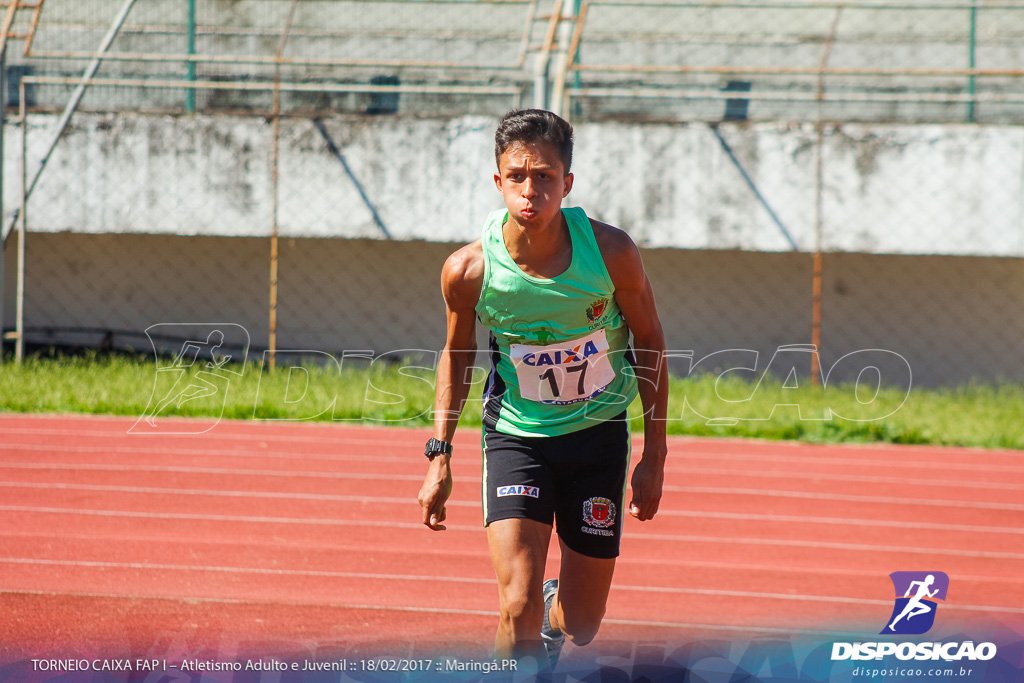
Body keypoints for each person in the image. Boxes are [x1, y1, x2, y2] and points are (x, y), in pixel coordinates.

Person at [417, 109, 669, 674]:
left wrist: (655, 455)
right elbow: (456, 357)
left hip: (597, 438)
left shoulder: (611, 253)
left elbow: (650, 342)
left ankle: (558, 614)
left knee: (581, 623)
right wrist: (439, 455)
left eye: (545, 177)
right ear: (498, 181)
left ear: (567, 184)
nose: (531, 190)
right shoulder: (468, 270)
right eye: (517, 176)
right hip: (517, 438)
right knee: (516, 605)